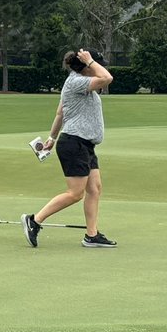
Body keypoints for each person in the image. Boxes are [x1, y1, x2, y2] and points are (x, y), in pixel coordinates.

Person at [22, 49, 116, 249]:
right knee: (75, 193)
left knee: (94, 189)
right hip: (75, 143)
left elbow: (60, 113)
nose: (98, 67)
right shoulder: (76, 82)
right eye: (93, 65)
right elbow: (107, 77)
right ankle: (34, 220)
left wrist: (51, 138)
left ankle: (91, 235)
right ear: (85, 67)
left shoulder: (80, 83)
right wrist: (90, 61)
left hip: (84, 144)